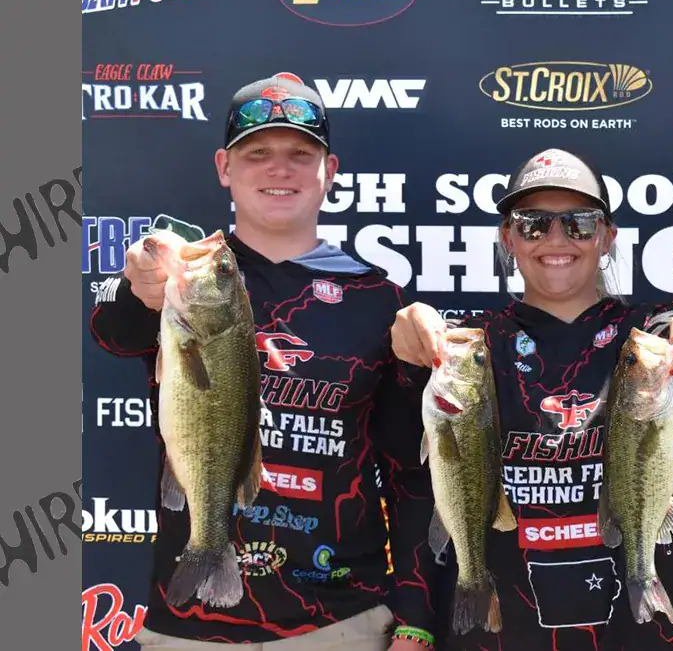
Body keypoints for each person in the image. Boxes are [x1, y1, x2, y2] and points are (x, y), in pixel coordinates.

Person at [89, 72, 439, 651]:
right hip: (189, 624)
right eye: (258, 154)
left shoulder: (378, 298)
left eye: (301, 153)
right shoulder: (187, 273)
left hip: (340, 620)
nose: (280, 169)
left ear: (330, 171)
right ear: (225, 167)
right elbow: (113, 333)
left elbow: (412, 476)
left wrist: (417, 617)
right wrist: (139, 285)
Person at [389, 148, 673, 650]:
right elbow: (415, 483)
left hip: (638, 634)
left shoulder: (643, 338)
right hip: (502, 631)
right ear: (508, 238)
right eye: (533, 224)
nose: (557, 238)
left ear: (608, 237)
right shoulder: (470, 348)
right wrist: (410, 334)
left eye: (580, 223)